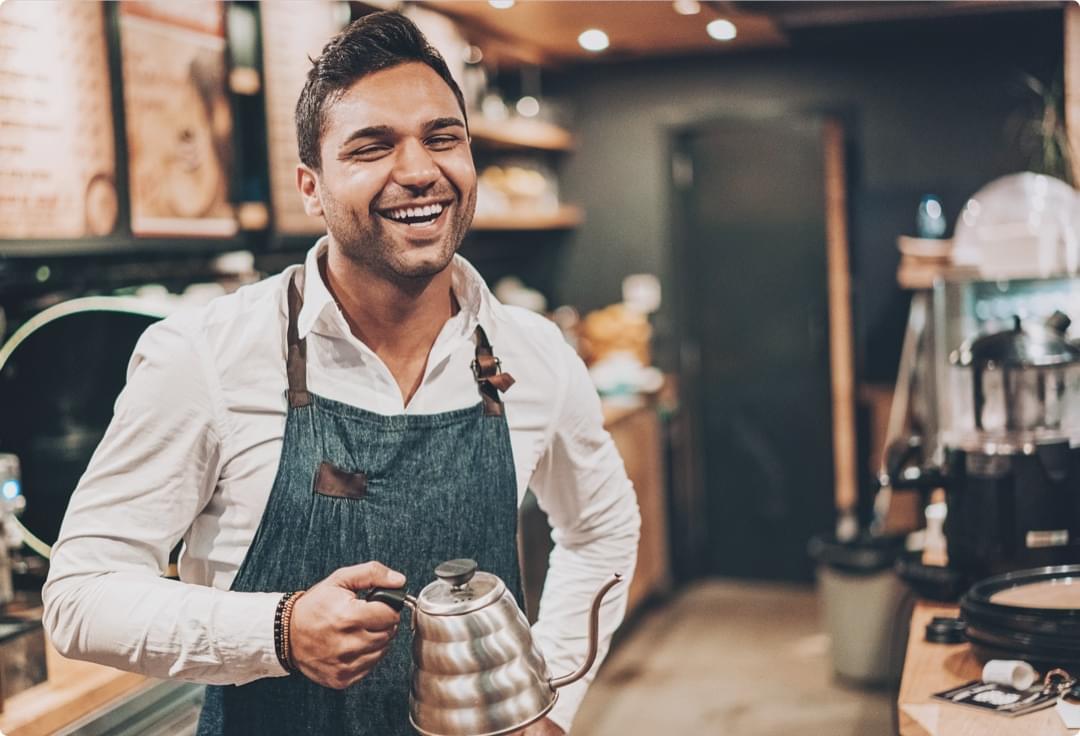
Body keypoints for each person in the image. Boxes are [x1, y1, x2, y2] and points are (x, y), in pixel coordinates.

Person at [43, 11, 640, 736]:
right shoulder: (205, 354)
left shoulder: (534, 353)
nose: (419, 170)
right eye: (372, 147)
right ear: (311, 187)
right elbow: (80, 597)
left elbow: (603, 528)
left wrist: (543, 698)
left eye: (443, 137)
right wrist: (278, 630)